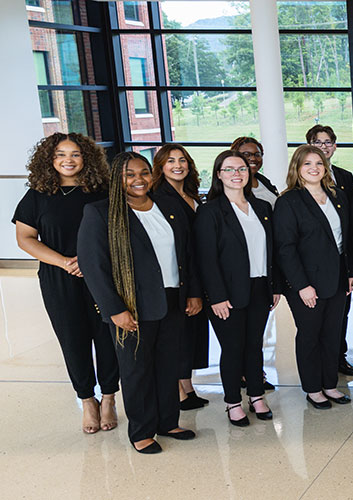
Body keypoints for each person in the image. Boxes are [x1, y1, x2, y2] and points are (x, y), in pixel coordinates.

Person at [78, 151, 202, 454]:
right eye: (130, 174)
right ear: (117, 178)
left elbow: (188, 253)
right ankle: (142, 431)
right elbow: (93, 265)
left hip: (173, 298)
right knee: (137, 369)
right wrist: (114, 309)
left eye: (144, 172)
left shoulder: (168, 204)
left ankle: (167, 422)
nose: (138, 180)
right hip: (132, 305)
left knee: (168, 363)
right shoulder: (100, 212)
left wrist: (194, 292)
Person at [12, 132, 118, 435]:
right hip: (59, 276)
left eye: (75, 154)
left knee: (108, 336)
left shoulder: (103, 190)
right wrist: (64, 262)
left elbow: (119, 233)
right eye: (61, 154)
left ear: (86, 158)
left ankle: (109, 397)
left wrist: (91, 263)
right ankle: (87, 400)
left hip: (102, 275)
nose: (68, 160)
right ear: (50, 159)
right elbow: (25, 239)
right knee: (72, 339)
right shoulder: (37, 195)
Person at [194, 150, 282, 426]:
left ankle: (256, 395)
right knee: (233, 348)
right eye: (229, 169)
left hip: (259, 288)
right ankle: (233, 401)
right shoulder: (210, 211)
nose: (236, 174)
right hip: (227, 294)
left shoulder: (262, 208)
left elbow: (272, 251)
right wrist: (216, 297)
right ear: (218, 175)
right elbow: (205, 259)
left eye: (241, 169)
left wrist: (274, 286)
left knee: (255, 345)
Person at [274, 145, 353, 409]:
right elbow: (285, 248)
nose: (314, 168)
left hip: (337, 279)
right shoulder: (289, 201)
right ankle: (312, 388)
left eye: (318, 163)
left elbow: (346, 239)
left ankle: (329, 384)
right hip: (306, 283)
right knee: (310, 335)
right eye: (307, 164)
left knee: (332, 334)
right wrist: (302, 286)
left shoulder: (337, 195)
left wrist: (351, 272)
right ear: (297, 169)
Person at [149, 144, 210, 411]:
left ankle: (187, 386)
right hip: (178, 276)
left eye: (182, 160)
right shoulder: (158, 197)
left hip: (197, 271)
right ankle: (176, 391)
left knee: (189, 334)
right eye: (170, 160)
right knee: (175, 335)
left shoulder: (191, 194)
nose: (177, 165)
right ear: (160, 167)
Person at [305, 125, 353, 376]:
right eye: (318, 143)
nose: (324, 147)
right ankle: (316, 365)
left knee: (342, 314)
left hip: (341, 262)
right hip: (313, 265)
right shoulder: (300, 182)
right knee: (314, 320)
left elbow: (350, 223)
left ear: (335, 146)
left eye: (328, 143)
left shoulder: (345, 176)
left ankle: (338, 358)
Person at [230, 137, 278, 207]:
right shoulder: (231, 185)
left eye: (257, 155)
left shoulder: (263, 180)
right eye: (246, 154)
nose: (253, 158)